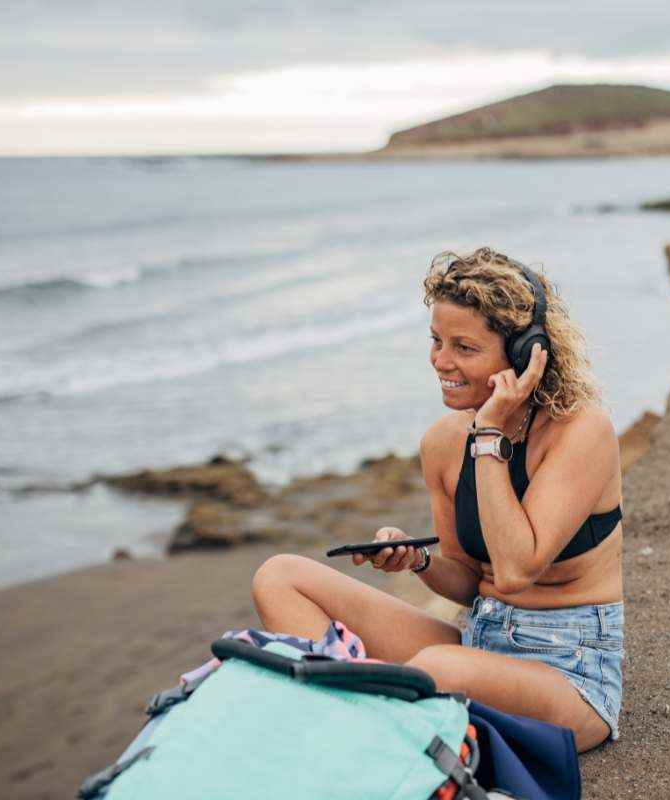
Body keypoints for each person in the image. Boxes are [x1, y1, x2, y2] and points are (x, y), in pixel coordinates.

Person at [252, 247, 624, 751]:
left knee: (434, 669)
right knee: (280, 577)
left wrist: (489, 431)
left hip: (569, 675)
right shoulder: (442, 445)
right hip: (474, 646)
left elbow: (515, 572)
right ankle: (355, 716)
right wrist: (419, 560)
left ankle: (349, 718)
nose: (441, 362)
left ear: (524, 353)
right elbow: (473, 580)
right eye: (435, 340)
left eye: (464, 348)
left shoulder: (581, 431)